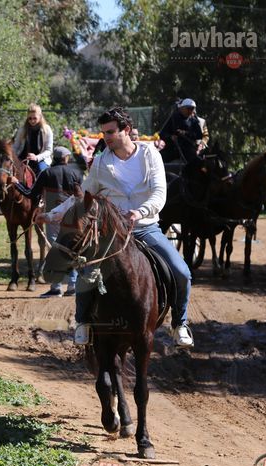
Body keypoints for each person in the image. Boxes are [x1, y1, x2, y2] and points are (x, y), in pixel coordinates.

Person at [72, 107, 193, 347]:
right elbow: (83, 196)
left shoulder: (150, 154)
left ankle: (180, 323)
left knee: (182, 273)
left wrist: (141, 212)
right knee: (86, 273)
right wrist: (52, 214)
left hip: (146, 228)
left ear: (126, 130)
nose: (105, 137)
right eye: (103, 133)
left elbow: (160, 192)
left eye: (110, 132)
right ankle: (83, 322)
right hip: (112, 233)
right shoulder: (100, 162)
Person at [11, 145, 82, 297]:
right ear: (66, 158)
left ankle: (56, 287)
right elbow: (81, 196)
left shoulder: (47, 173)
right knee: (71, 249)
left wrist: (17, 183)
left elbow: (30, 194)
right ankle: (72, 285)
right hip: (72, 217)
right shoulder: (76, 173)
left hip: (52, 217)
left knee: (55, 249)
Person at [0, 104, 53, 215]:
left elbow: (49, 150)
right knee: (3, 172)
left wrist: (37, 157)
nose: (32, 121)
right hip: (23, 158)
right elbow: (15, 147)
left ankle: (41, 200)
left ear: (40, 117)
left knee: (42, 172)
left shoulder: (47, 129)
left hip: (41, 160)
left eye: (34, 118)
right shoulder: (23, 129)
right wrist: (11, 157)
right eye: (30, 118)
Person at [158, 98, 203, 164]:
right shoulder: (173, 118)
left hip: (188, 149)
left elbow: (199, 135)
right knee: (158, 158)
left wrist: (185, 133)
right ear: (182, 108)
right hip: (173, 148)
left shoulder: (194, 121)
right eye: (188, 108)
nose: (190, 111)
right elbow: (162, 133)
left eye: (192, 109)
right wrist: (171, 137)